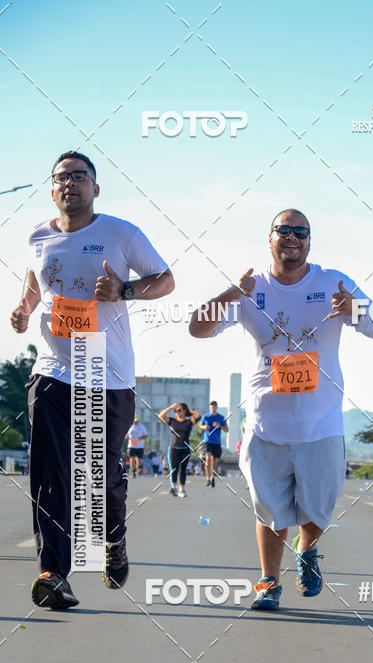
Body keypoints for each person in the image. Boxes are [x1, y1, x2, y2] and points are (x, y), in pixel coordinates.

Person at [189, 208, 373, 610]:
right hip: (266, 423)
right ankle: (268, 581)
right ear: (270, 238)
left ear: (310, 241)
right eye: (284, 230)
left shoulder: (334, 281)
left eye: (301, 231)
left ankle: (308, 549)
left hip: (322, 423)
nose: (292, 237)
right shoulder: (250, 288)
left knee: (317, 507)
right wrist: (232, 294)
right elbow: (197, 327)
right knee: (270, 510)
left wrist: (355, 311)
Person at [10, 150, 174, 609]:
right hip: (53, 370)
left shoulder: (121, 233)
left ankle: (113, 540)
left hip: (108, 373)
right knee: (50, 473)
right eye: (62, 177)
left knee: (100, 480)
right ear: (52, 188)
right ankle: (54, 573)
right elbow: (35, 281)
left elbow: (165, 279)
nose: (71, 184)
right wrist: (24, 310)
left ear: (95, 188)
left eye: (80, 177)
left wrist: (126, 289)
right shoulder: (38, 236)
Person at [158, 402, 201, 497]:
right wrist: (170, 407)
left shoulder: (189, 422)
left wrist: (190, 411)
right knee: (174, 469)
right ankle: (173, 487)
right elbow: (161, 416)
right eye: (175, 411)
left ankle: (181, 489)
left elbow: (198, 416)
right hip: (173, 449)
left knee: (183, 469)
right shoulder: (172, 421)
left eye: (179, 410)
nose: (177, 412)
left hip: (185, 449)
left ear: (184, 411)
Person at [198, 401, 228, 487]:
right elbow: (200, 425)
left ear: (217, 407)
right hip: (207, 441)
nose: (213, 409)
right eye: (212, 408)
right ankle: (207, 478)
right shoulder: (206, 416)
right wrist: (204, 427)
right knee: (208, 459)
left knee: (214, 461)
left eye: (215, 408)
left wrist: (220, 426)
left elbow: (227, 430)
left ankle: (213, 478)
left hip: (216, 442)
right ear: (209, 408)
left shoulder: (221, 418)